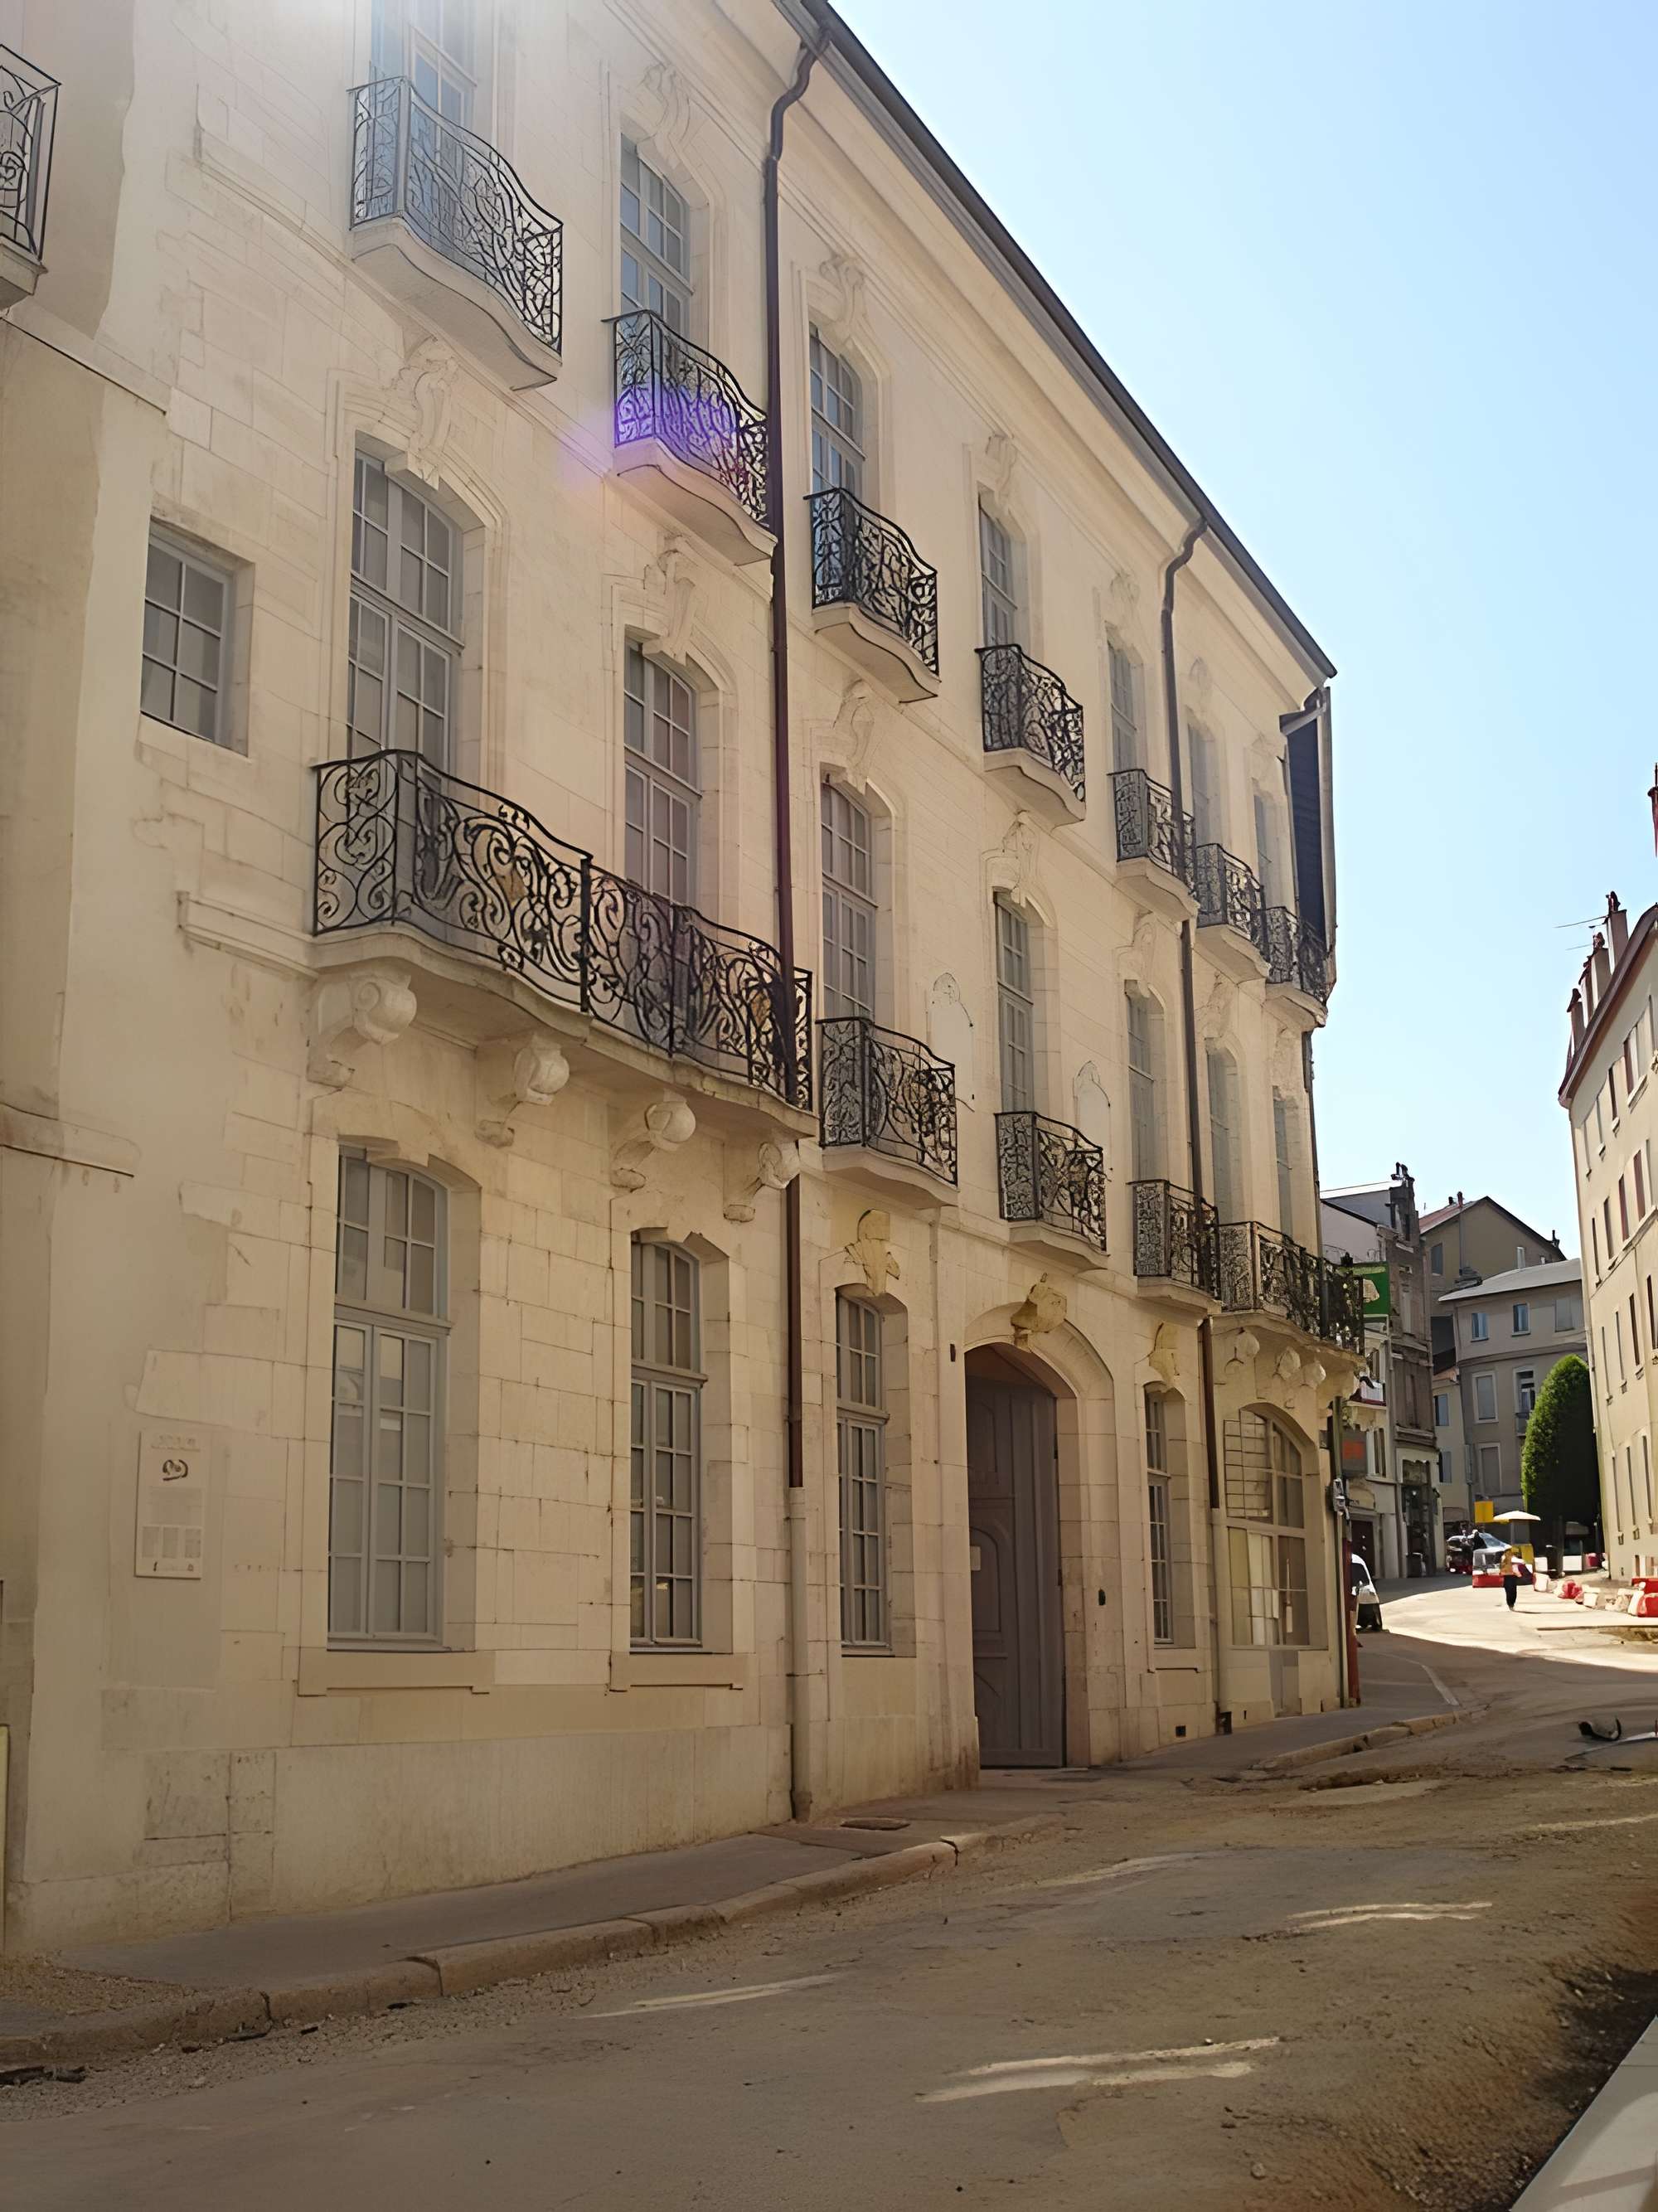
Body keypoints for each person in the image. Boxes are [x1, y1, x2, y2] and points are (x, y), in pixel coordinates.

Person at [1501, 1544, 1524, 1610]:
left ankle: (1510, 1604)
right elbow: (1521, 1561)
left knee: (1510, 1591)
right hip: (1510, 1576)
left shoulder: (1504, 1557)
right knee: (1512, 1591)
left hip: (1508, 1576)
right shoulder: (1508, 1557)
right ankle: (1511, 1604)